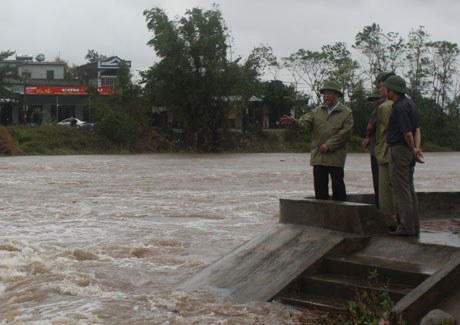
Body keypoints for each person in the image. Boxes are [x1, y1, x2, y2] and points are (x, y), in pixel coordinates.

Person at [280, 80, 353, 201]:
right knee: (320, 189)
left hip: (336, 158)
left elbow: (345, 134)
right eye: (324, 94)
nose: (326, 96)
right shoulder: (317, 111)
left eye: (329, 93)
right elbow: (305, 125)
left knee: (338, 186)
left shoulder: (346, 113)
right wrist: (294, 122)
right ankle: (322, 216)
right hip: (319, 157)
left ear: (337, 95)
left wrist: (329, 145)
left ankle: (340, 215)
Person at [384, 75, 424, 236]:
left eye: (386, 88)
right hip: (408, 150)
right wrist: (416, 149)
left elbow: (407, 133)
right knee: (409, 188)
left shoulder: (399, 107)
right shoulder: (411, 104)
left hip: (399, 149)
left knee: (401, 191)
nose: (384, 91)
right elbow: (417, 130)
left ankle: (406, 228)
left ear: (392, 90)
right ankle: (414, 226)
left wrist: (413, 149)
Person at [374, 73, 398, 230]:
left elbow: (385, 131)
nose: (379, 90)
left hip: (386, 152)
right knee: (402, 188)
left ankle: (390, 223)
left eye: (380, 87)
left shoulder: (385, 107)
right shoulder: (407, 104)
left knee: (385, 191)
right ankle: (404, 221)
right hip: (401, 153)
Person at [362, 92, 381, 206]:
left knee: (379, 183)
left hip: (378, 152)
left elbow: (370, 127)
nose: (374, 103)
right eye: (373, 100)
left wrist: (368, 136)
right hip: (379, 151)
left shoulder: (380, 109)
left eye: (376, 100)